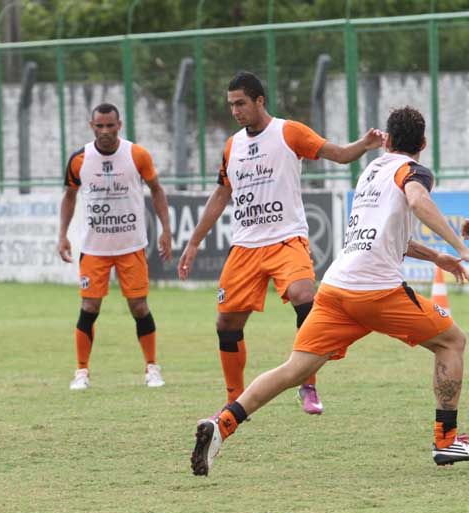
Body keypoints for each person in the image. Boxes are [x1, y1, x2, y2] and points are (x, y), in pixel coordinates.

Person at [192, 106, 469, 476]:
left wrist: (436, 256)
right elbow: (418, 201)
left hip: (337, 288)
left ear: (386, 140)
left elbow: (387, 235)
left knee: (295, 368)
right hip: (376, 291)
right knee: (452, 341)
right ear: (423, 142)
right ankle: (446, 439)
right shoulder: (413, 171)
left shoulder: (372, 172)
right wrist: (461, 249)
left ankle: (223, 423)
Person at [178, 71, 383, 415]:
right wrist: (194, 242)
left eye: (241, 103)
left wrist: (363, 145)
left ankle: (309, 384)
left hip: (287, 240)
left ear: (260, 100)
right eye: (230, 105)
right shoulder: (233, 145)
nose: (235, 111)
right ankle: (234, 400)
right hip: (245, 247)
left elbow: (338, 154)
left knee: (305, 295)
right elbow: (222, 193)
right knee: (226, 325)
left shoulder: (289, 132)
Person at [58, 102, 173, 390]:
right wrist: (63, 234)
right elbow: (69, 196)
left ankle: (151, 367)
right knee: (89, 305)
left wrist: (166, 229)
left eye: (111, 125)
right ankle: (81, 371)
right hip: (94, 248)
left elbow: (156, 190)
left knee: (139, 306)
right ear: (92, 126)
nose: (105, 131)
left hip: (131, 245)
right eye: (100, 126)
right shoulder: (79, 160)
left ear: (119, 125)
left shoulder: (136, 155)